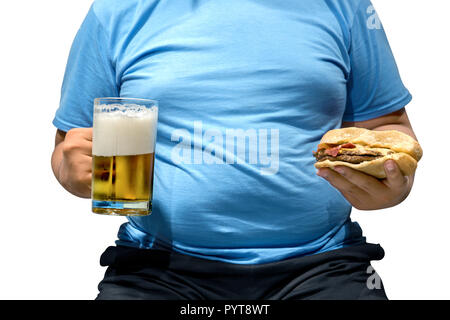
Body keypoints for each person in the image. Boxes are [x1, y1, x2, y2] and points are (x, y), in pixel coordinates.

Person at [51, 0, 419, 300]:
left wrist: (393, 185)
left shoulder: (345, 6)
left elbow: (387, 126)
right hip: (155, 267)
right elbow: (72, 144)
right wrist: (73, 173)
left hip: (323, 264)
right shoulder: (116, 11)